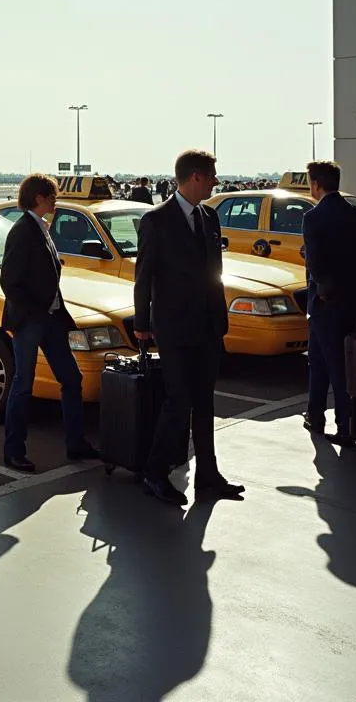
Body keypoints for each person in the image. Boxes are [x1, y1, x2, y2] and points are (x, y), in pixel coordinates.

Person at [134, 148, 243, 505]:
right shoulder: (157, 220)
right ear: (196, 176)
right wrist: (142, 325)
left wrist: (220, 317)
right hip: (174, 327)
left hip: (208, 325)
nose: (215, 181)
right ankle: (155, 471)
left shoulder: (209, 217)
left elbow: (215, 272)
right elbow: (144, 277)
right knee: (178, 401)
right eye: (212, 175)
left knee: (204, 403)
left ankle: (208, 476)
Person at [0, 173, 100, 471]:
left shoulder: (41, 228)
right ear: (39, 198)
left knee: (72, 378)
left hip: (51, 318)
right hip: (32, 320)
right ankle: (13, 451)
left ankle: (76, 443)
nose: (56, 201)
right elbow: (10, 282)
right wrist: (34, 312)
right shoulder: (23, 231)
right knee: (23, 385)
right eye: (52, 196)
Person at [302, 160, 356, 446]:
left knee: (334, 366)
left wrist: (322, 290)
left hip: (325, 303)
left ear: (316, 184)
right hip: (351, 298)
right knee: (319, 359)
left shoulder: (313, 217)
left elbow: (317, 262)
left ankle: (346, 426)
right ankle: (315, 414)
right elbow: (355, 254)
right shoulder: (355, 215)